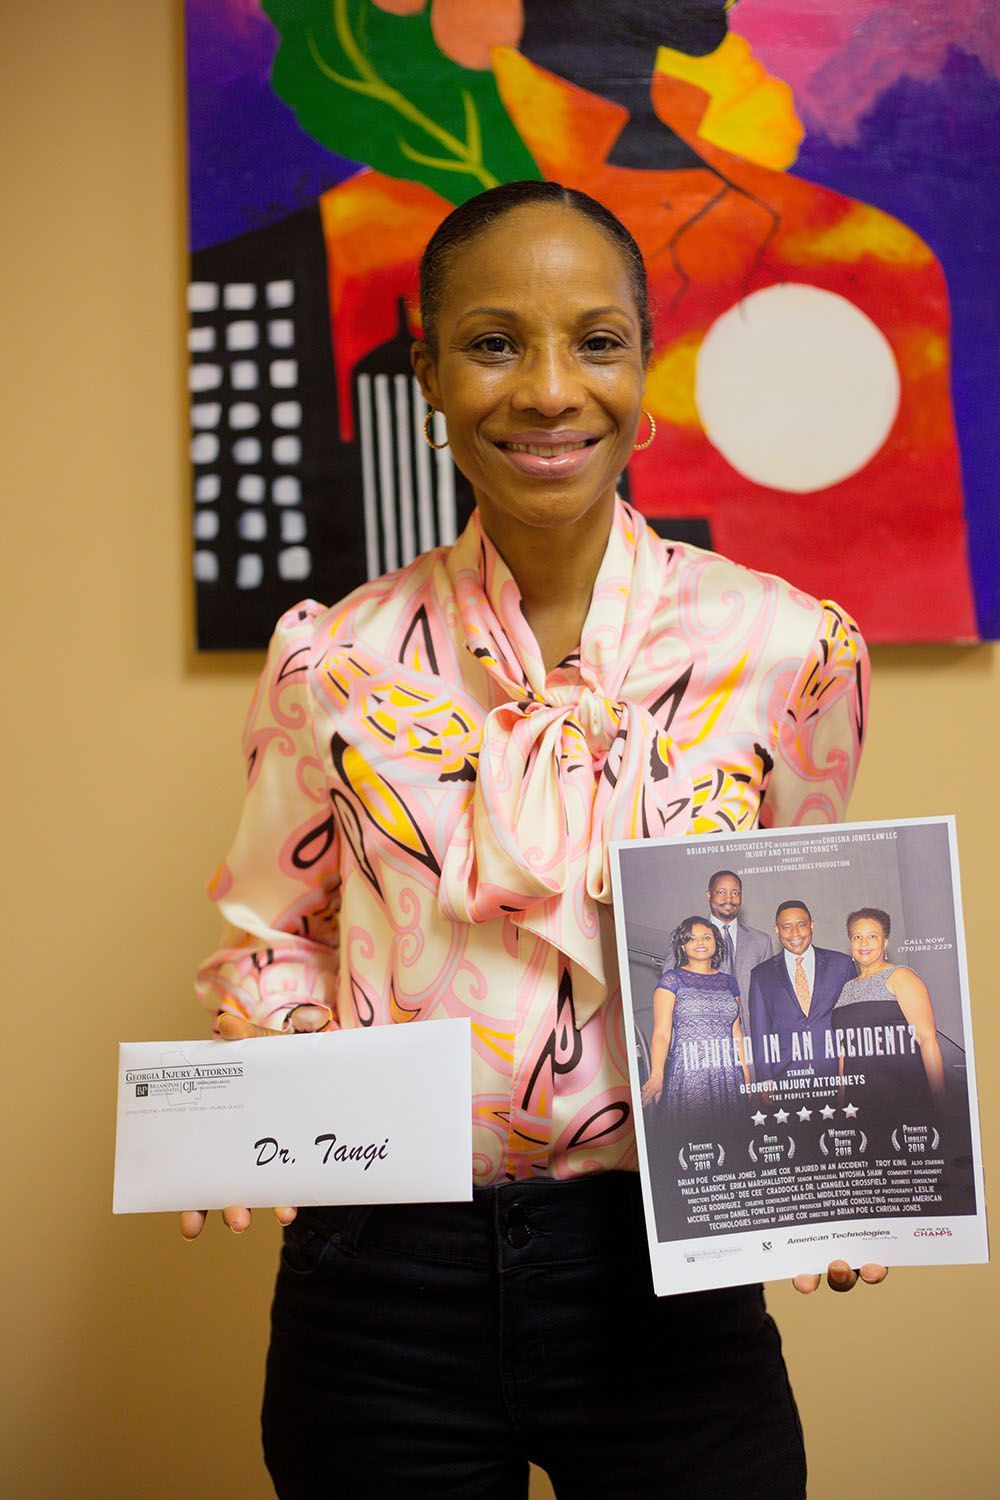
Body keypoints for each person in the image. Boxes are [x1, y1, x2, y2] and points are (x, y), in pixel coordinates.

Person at [182, 181, 886, 1500]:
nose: (550, 390)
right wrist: (272, 1108)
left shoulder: (788, 651)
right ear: (428, 368)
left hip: (666, 1278)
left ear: (644, 364)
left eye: (597, 341)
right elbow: (273, 934)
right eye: (495, 342)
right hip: (380, 1287)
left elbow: (803, 941)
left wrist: (825, 1167)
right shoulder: (331, 663)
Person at [832, 907, 946, 1108]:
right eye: (857, 937)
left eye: (872, 936)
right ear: (851, 943)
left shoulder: (901, 977)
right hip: (858, 1101)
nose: (864, 943)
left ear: (885, 942)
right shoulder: (846, 988)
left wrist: (940, 1099)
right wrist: (842, 1105)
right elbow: (844, 1053)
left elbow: (927, 1039)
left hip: (902, 1094)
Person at [639, 916, 749, 1117]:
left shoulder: (729, 982)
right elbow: (662, 1034)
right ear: (682, 946)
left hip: (730, 1076)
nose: (700, 943)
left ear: (716, 942)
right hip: (690, 1076)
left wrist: (748, 1081)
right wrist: (656, 1075)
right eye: (692, 939)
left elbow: (737, 1033)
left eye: (707, 937)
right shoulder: (672, 980)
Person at [748, 900, 856, 1087]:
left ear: (812, 925)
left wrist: (852, 1072)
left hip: (836, 1076)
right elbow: (760, 1033)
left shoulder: (842, 965)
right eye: (787, 927)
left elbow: (854, 1025)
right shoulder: (761, 975)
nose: (795, 933)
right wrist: (764, 1080)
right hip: (786, 1080)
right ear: (777, 930)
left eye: (801, 925)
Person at [706, 868, 773, 1050]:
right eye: (722, 892)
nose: (729, 899)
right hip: (708, 1042)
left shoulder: (762, 941)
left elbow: (770, 999)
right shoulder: (688, 939)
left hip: (753, 1042)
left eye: (735, 893)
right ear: (709, 895)